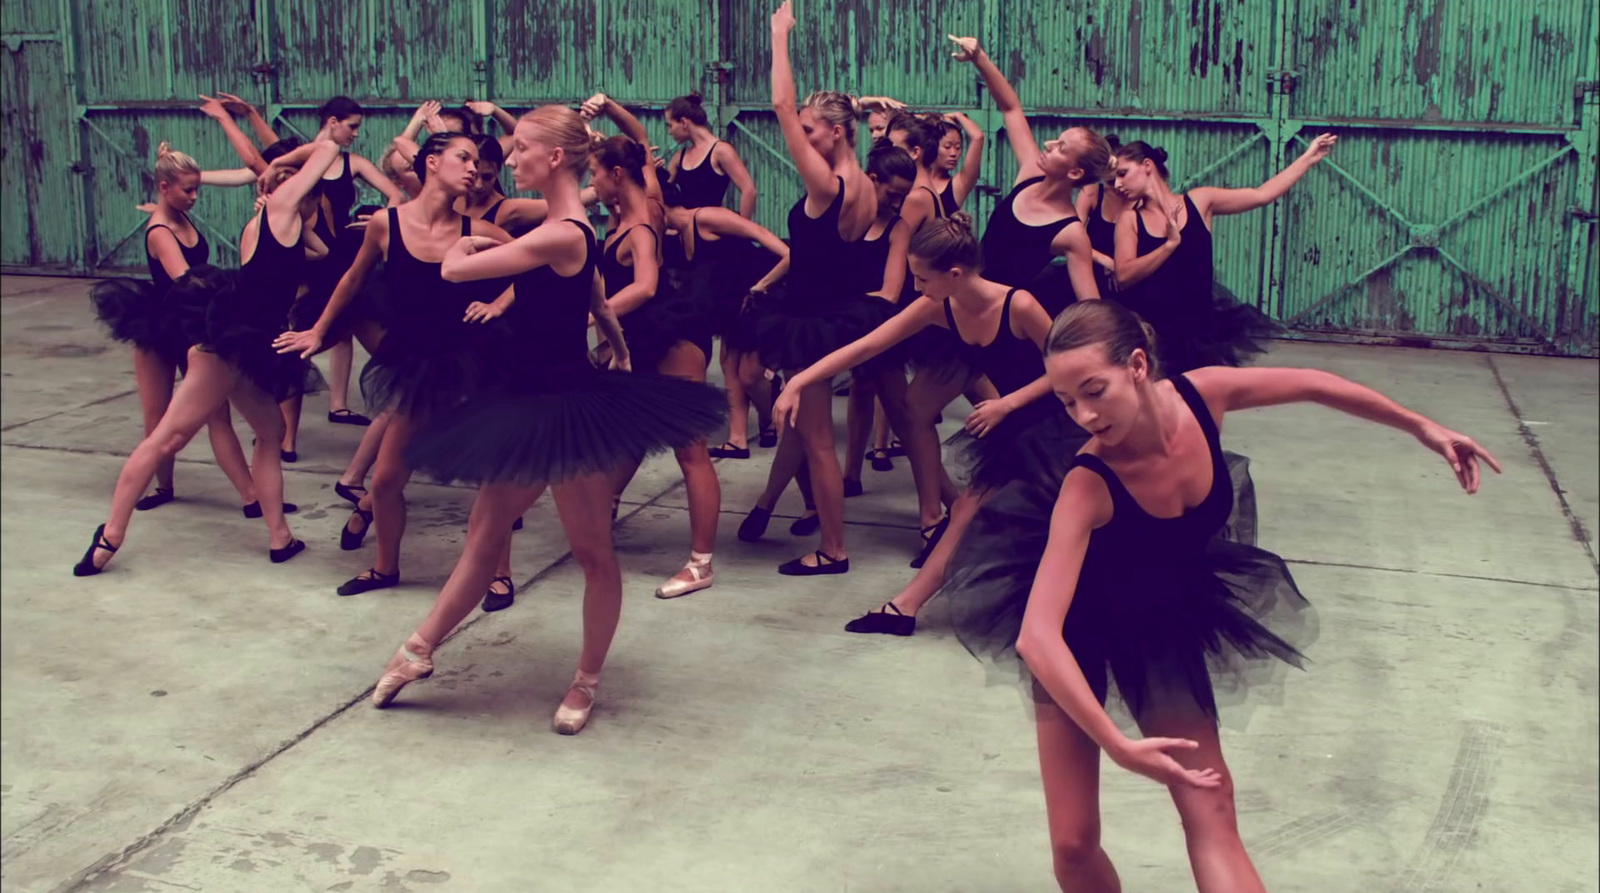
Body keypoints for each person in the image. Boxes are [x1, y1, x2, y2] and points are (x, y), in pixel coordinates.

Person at [940, 299, 1498, 892]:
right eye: (1066, 400)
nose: (1083, 414)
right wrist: (1119, 744)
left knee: (1211, 804)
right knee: (1074, 845)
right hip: (1073, 633)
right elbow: (1037, 636)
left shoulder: (1203, 397)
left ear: (1136, 364)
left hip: (1160, 616)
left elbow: (1312, 383)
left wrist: (1421, 426)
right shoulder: (1088, 483)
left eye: (1094, 390)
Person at [367, 104, 725, 734]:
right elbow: (588, 293)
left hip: (563, 409)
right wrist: (615, 343)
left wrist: (473, 239)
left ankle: (585, 683)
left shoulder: (562, 230)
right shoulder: (566, 228)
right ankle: (417, 650)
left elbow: (452, 269)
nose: (507, 155)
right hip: (521, 401)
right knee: (483, 538)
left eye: (520, 145)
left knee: (591, 553)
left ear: (554, 157)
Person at [73, 141, 343, 576]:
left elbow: (322, 253)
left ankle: (280, 536)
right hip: (224, 348)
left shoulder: (273, 223)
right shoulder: (276, 213)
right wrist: (281, 164)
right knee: (168, 438)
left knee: (271, 431)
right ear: (295, 193)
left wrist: (294, 204)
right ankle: (110, 536)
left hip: (251, 347)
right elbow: (329, 145)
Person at [274, 134, 515, 598]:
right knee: (384, 483)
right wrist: (319, 330)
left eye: (476, 162)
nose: (472, 169)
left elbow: (536, 267)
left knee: (490, 478)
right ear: (431, 162)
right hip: (414, 365)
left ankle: (499, 572)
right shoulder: (385, 224)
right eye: (462, 158)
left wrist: (501, 304)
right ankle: (385, 568)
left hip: (472, 363)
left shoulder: (476, 231)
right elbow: (351, 279)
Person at [747, 1, 893, 576]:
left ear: (834, 133)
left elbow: (782, 104)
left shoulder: (828, 182)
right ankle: (812, 525)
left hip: (810, 319)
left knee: (819, 443)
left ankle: (833, 548)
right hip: (832, 310)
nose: (800, 138)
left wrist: (779, 35)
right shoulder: (863, 183)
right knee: (810, 436)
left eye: (810, 131)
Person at [89, 143, 265, 518]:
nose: (195, 197)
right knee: (158, 418)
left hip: (191, 324)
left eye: (196, 188)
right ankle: (163, 485)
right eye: (188, 190)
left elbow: (244, 174)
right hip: (161, 328)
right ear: (165, 187)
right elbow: (186, 280)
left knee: (218, 414)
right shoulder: (160, 231)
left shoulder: (178, 212)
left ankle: (252, 497)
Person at [1111, 135, 1337, 374]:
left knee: (1198, 404)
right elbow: (1124, 276)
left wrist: (1308, 157)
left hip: (1197, 333)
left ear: (1147, 166)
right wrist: (1168, 245)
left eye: (1123, 173)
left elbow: (1262, 195)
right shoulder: (1130, 220)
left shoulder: (1200, 202)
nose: (1116, 184)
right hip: (1152, 335)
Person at [664, 92, 758, 218]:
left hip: (711, 231)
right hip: (684, 232)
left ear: (683, 122)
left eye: (670, 125)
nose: (669, 132)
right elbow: (662, 195)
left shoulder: (721, 151)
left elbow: (749, 191)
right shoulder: (678, 157)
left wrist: (741, 230)